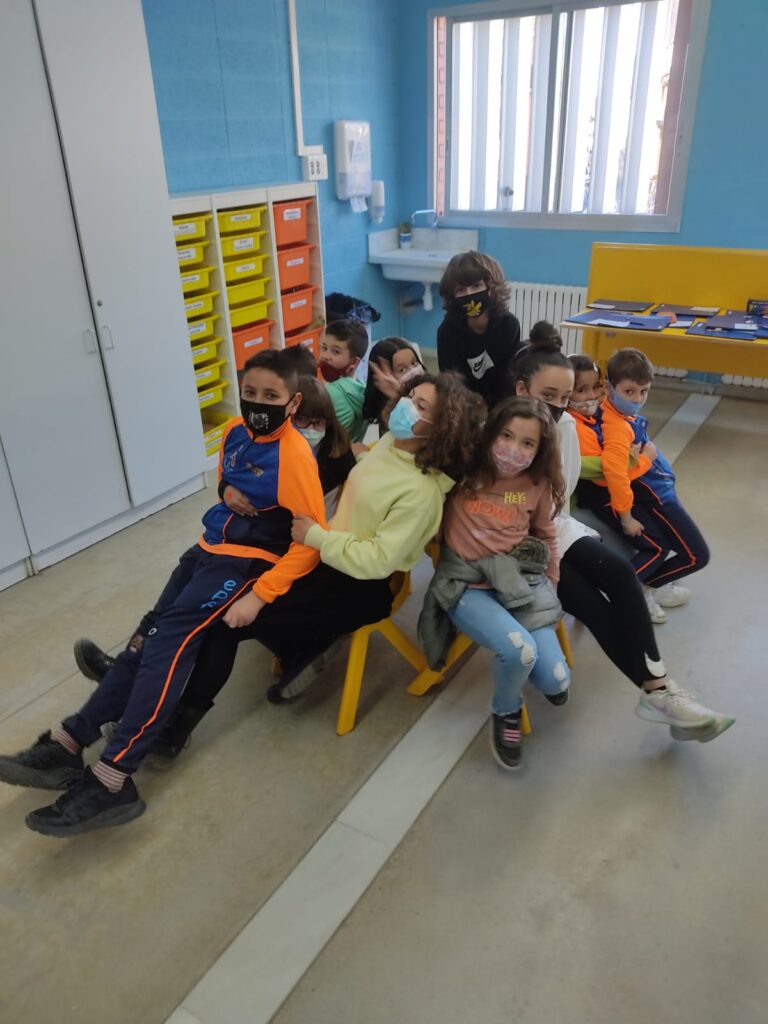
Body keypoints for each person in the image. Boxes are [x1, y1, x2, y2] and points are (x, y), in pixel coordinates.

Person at [0, 350, 327, 836]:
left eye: (271, 396)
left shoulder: (295, 456)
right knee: (141, 641)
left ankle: (112, 779)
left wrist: (260, 595)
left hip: (245, 563)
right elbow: (228, 478)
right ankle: (69, 741)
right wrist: (225, 492)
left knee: (164, 651)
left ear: (293, 402)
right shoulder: (235, 432)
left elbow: (311, 541)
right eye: (250, 393)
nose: (258, 403)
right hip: (206, 549)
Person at [141, 373, 485, 759]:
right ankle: (302, 647)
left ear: (441, 428)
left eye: (421, 407)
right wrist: (358, 458)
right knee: (231, 582)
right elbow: (372, 482)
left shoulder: (421, 493)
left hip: (358, 585)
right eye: (410, 396)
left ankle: (174, 730)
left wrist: (316, 537)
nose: (406, 407)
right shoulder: (393, 443)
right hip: (326, 556)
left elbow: (377, 561)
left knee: (228, 622)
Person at [512, 327, 733, 743]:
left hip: (554, 528)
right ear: (522, 389)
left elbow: (558, 497)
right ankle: (659, 694)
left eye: (565, 397)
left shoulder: (565, 429)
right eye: (548, 396)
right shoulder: (500, 430)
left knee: (621, 575)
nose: (558, 406)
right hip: (516, 541)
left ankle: (660, 691)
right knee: (592, 607)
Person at [74, 375, 357, 683]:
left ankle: (156, 689)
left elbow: (320, 531)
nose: (309, 429)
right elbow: (231, 477)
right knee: (176, 588)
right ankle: (124, 668)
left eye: (318, 423)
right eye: (301, 420)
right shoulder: (262, 443)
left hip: (276, 554)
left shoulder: (333, 458)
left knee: (204, 620)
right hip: (234, 538)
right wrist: (225, 489)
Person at [419, 396, 569, 770]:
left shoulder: (536, 482)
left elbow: (547, 534)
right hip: (467, 585)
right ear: (490, 433)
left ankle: (532, 677)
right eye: (506, 435)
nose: (513, 449)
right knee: (520, 652)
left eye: (527, 443)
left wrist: (550, 585)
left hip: (518, 582)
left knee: (556, 680)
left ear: (540, 449)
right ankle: (506, 710)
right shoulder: (464, 468)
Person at [575, 348, 710, 622]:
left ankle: (647, 588)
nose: (637, 399)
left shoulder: (621, 415)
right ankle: (635, 593)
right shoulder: (616, 426)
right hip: (657, 499)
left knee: (676, 549)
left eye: (644, 391)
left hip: (661, 493)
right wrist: (626, 516)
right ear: (610, 388)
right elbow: (614, 473)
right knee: (694, 555)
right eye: (630, 391)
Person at [437, 250, 522, 408]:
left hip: (501, 405)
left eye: (476, 286)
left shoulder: (509, 325)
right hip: (465, 407)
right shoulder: (447, 331)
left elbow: (510, 378)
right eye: (460, 290)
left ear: (491, 287)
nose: (469, 294)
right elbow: (450, 383)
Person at [317, 318, 369, 442]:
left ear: (353, 362)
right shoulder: (361, 387)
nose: (325, 356)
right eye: (324, 348)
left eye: (335, 352)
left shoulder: (330, 393)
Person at [362, 337, 425, 435]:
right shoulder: (388, 411)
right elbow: (411, 433)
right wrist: (398, 396)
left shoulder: (432, 390)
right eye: (402, 370)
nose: (413, 371)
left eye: (414, 363)